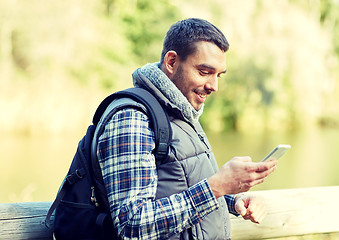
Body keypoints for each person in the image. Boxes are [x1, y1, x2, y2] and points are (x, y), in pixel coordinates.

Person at [96, 18, 278, 240]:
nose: (214, 86)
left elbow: (180, 188)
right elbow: (132, 226)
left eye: (218, 75)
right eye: (204, 72)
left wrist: (234, 198)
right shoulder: (132, 118)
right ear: (171, 62)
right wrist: (216, 187)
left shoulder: (181, 110)